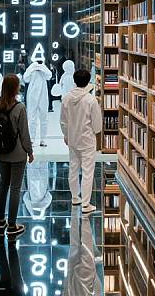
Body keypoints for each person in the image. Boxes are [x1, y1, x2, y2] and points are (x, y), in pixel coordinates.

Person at [0, 74, 34, 240]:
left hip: (2, 152)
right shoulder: (20, 108)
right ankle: (12, 225)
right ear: (15, 88)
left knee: (3, 185)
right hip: (17, 154)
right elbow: (24, 133)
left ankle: (1, 221)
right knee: (15, 189)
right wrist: (29, 151)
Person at [60, 69, 102, 214]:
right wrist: (96, 132)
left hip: (72, 139)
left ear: (74, 80)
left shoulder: (66, 98)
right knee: (88, 171)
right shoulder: (91, 100)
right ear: (88, 81)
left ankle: (75, 197)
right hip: (87, 140)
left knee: (73, 168)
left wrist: (66, 135)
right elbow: (97, 125)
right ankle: (86, 204)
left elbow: (63, 121)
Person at [64, 208, 101, 295]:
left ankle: (84, 215)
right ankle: (75, 208)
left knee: (86, 244)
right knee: (74, 240)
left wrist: (95, 274)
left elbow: (98, 289)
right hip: (72, 279)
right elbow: (65, 290)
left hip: (85, 280)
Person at [23, 61, 52, 147]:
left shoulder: (44, 68)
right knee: (32, 118)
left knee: (44, 117)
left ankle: (43, 139)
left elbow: (49, 76)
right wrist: (32, 69)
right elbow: (26, 78)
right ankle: (32, 139)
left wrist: (42, 68)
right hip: (32, 95)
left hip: (42, 95)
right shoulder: (31, 68)